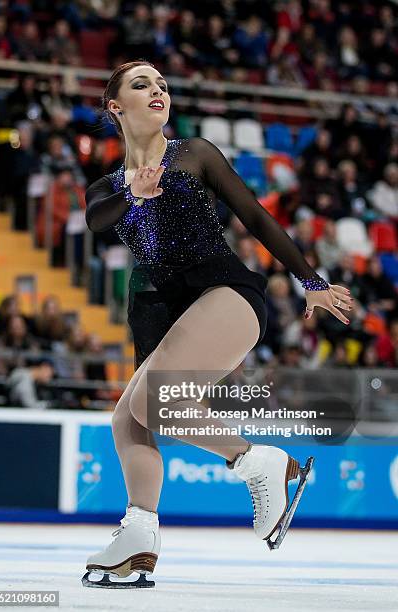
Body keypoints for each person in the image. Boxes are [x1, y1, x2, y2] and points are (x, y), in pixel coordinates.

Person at [83, 60, 354, 589]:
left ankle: (262, 464)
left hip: (226, 293)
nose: (157, 90)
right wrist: (133, 195)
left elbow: (255, 216)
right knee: (128, 421)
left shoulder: (196, 154)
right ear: (115, 107)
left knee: (153, 404)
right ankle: (138, 536)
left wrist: (311, 281)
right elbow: (99, 218)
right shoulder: (105, 189)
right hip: (165, 310)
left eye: (162, 84)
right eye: (142, 85)